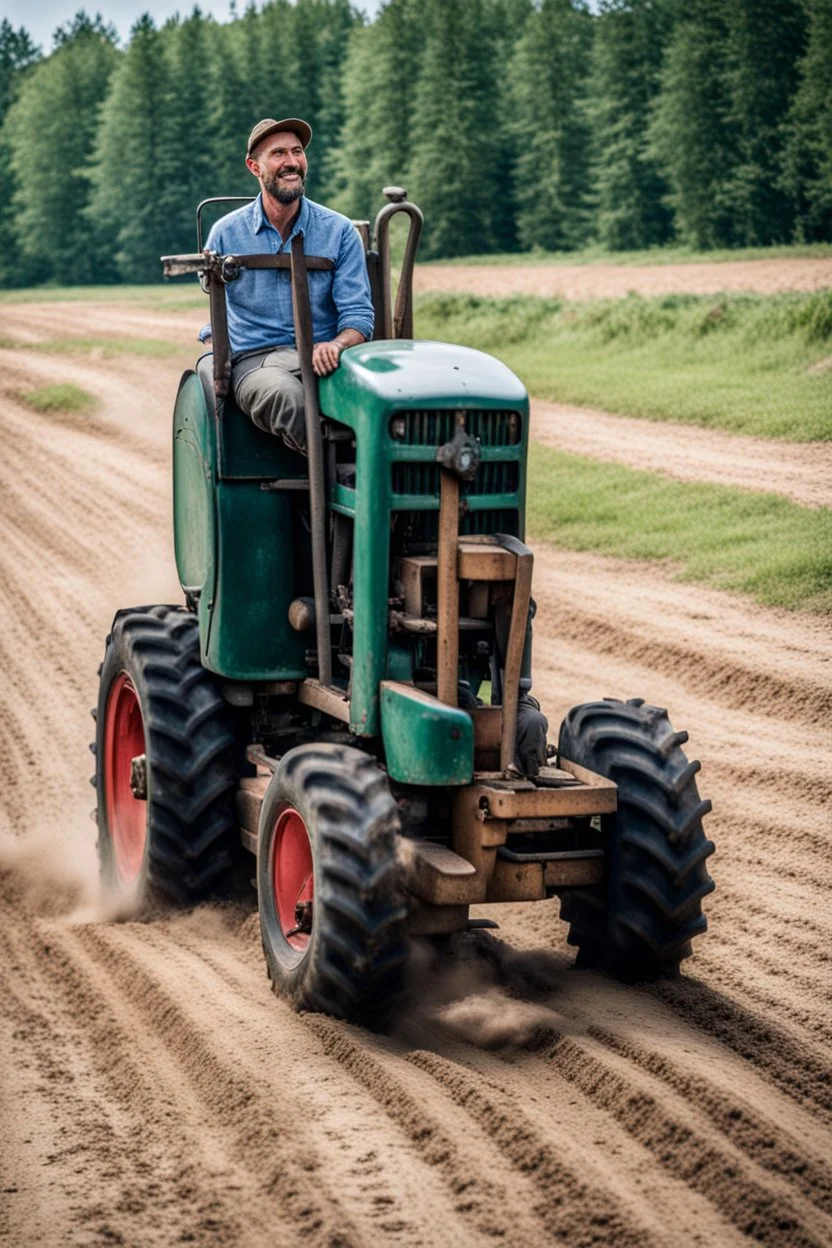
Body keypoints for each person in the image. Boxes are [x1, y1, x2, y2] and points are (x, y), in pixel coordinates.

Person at [204, 117, 375, 454]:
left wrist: (336, 345)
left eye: (297, 152)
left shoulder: (338, 232)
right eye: (279, 153)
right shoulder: (224, 234)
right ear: (255, 167)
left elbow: (358, 314)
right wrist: (212, 338)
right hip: (257, 360)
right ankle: (349, 483)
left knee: (382, 398)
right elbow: (216, 309)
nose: (292, 162)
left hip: (325, 359)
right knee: (287, 397)